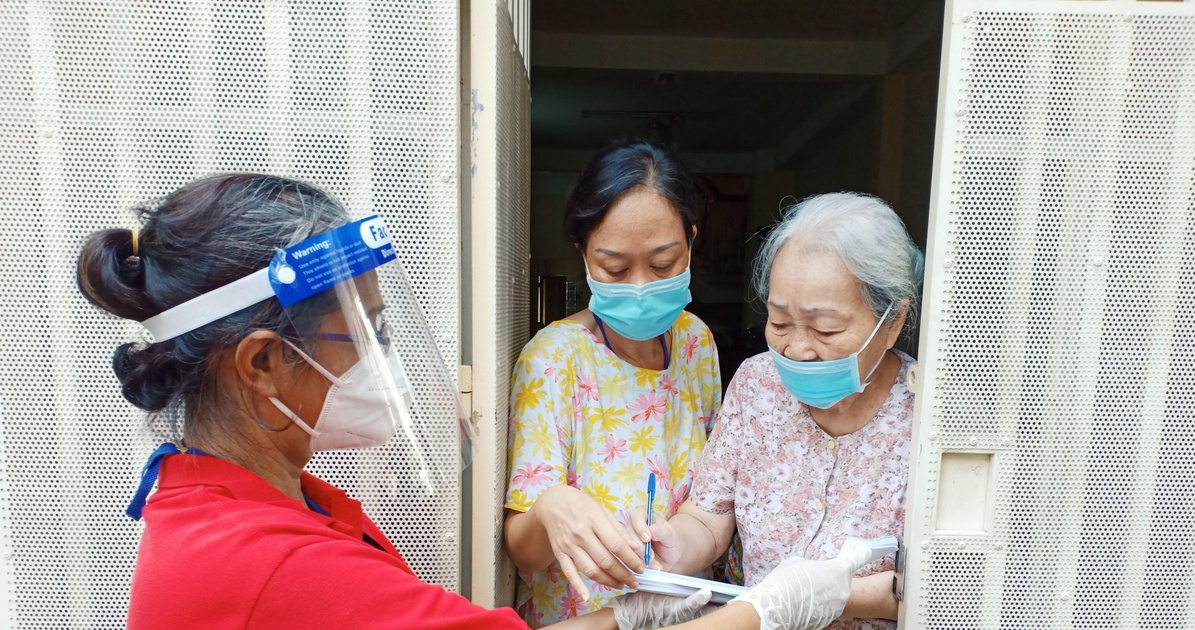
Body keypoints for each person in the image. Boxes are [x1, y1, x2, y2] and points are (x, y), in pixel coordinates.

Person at [77, 173, 859, 630]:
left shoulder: (270, 500)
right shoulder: (262, 560)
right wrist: (775, 607)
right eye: (367, 334)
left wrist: (640, 610)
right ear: (263, 364)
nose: (387, 362)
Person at [630, 192, 924, 629]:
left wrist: (835, 596)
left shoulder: (929, 416)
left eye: (826, 329)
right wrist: (674, 543)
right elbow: (709, 519)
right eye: (780, 323)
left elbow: (950, 587)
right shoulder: (757, 385)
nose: (798, 349)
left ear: (893, 321)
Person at [503, 140, 723, 625]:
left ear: (691, 238)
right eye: (615, 268)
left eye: (663, 265)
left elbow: (715, 492)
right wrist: (549, 509)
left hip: (685, 615)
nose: (641, 287)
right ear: (583, 253)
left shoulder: (696, 343)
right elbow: (526, 554)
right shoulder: (555, 357)